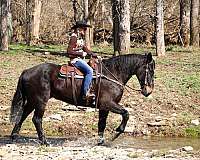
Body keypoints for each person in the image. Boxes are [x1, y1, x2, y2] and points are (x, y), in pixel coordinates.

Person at [67, 21, 97, 100]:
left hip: (79, 59)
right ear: (78, 29)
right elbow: (69, 51)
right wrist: (81, 54)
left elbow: (84, 48)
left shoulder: (79, 37)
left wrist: (93, 54)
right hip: (75, 60)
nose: (85, 31)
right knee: (89, 71)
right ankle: (85, 93)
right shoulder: (73, 37)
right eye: (84, 29)